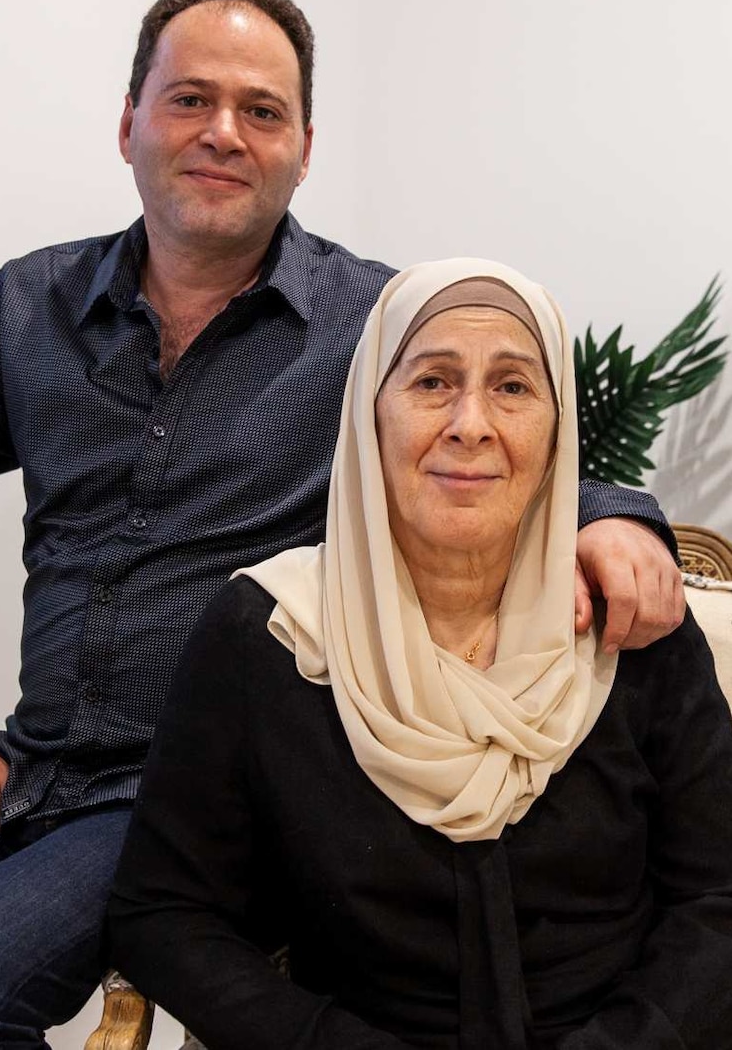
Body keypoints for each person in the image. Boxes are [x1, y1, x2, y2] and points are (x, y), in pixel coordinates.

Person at [0, 0, 682, 1047]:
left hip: (199, 794)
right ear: (128, 125)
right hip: (32, 769)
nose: (222, 133)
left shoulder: (367, 325)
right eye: (188, 99)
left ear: (304, 147)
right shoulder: (26, 310)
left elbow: (495, 442)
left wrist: (618, 519)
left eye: (261, 110)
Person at [108, 259, 732, 1049]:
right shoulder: (266, 634)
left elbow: (718, 894)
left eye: (512, 387)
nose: (471, 423)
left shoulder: (633, 626)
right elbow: (162, 912)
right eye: (432, 381)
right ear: (371, 415)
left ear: (556, 429)